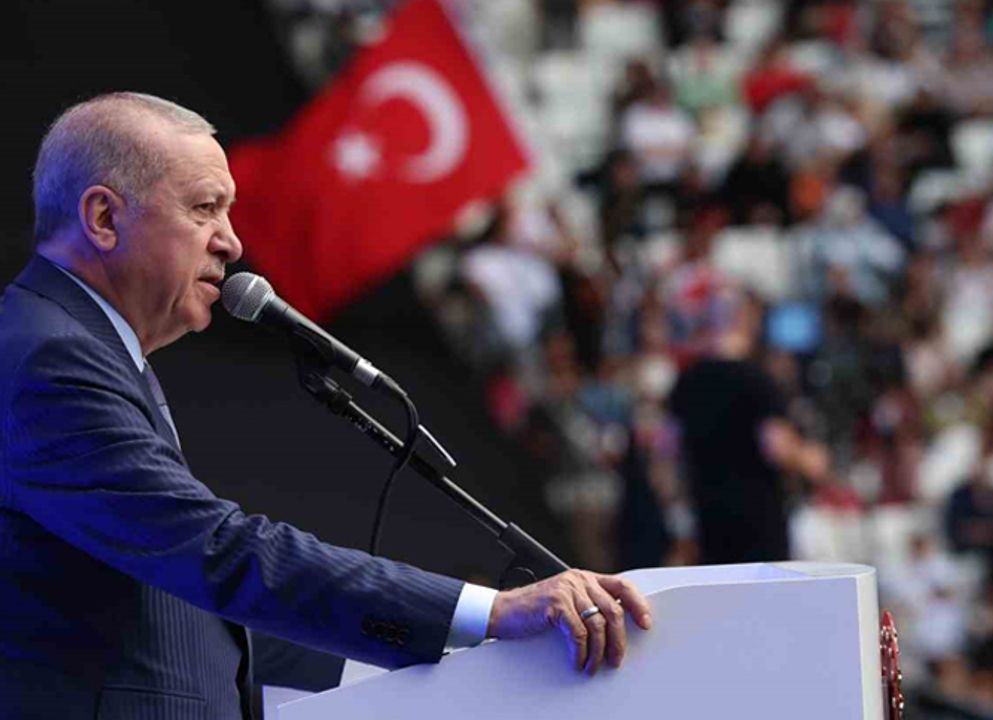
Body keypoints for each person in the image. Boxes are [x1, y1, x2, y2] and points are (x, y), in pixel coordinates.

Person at [0, 92, 651, 719]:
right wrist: (488, 613)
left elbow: (181, 601)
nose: (230, 242)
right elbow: (214, 552)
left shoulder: (81, 347)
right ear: (104, 218)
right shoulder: (49, 358)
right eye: (204, 208)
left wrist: (449, 657)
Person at [666, 287, 830, 564]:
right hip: (758, 526)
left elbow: (668, 451)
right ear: (745, 319)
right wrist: (810, 459)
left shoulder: (686, 382)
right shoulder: (758, 379)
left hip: (708, 524)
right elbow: (775, 447)